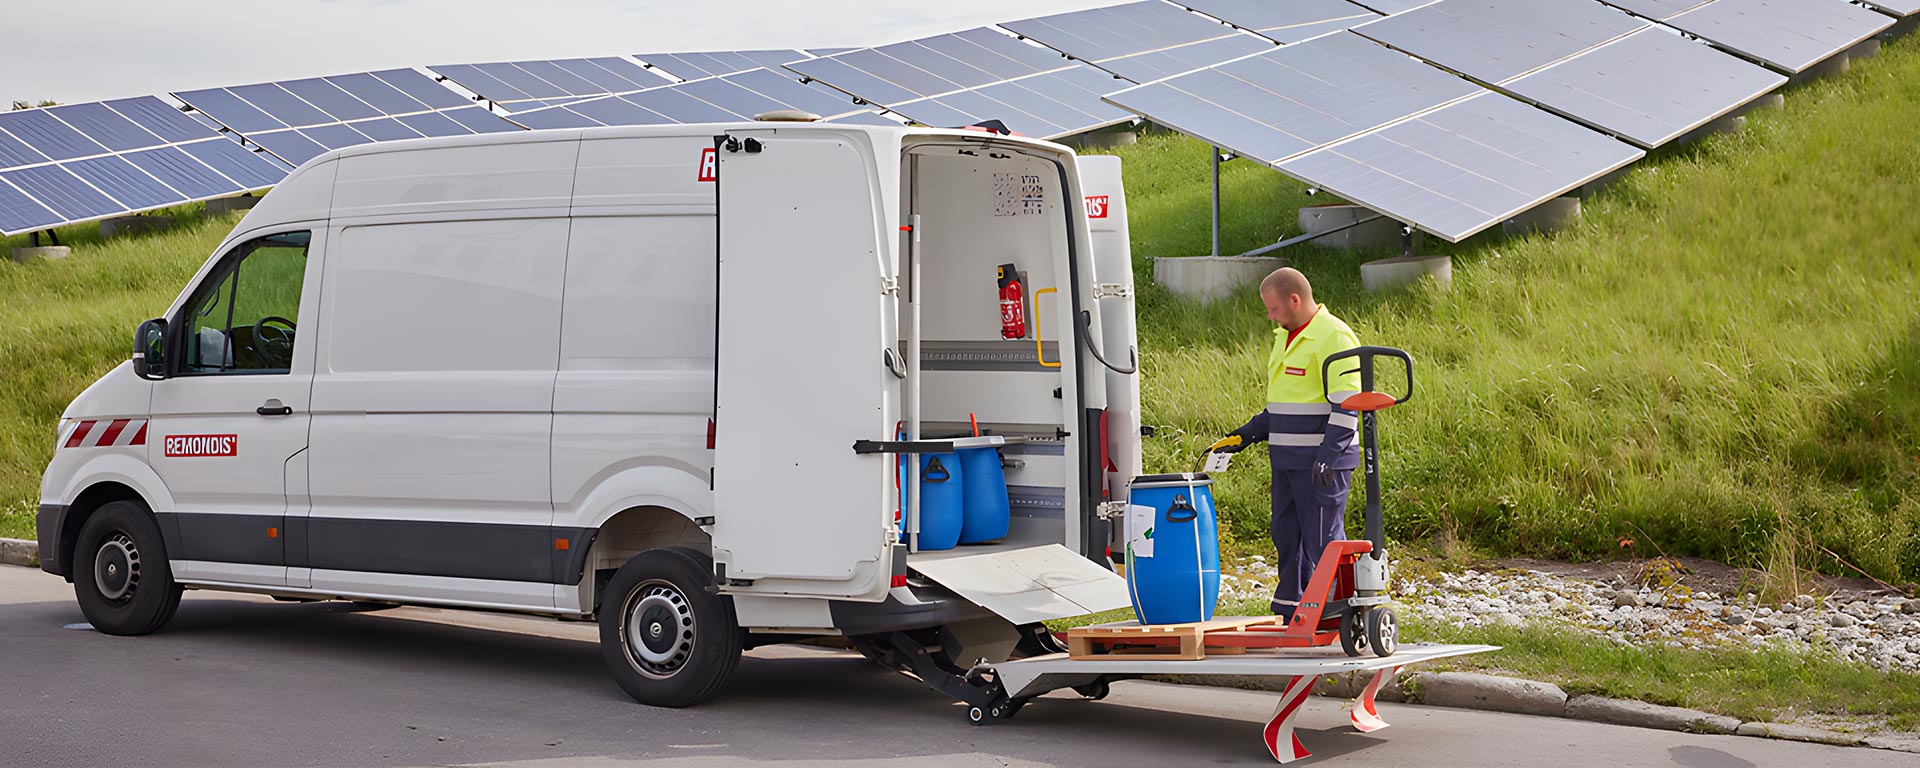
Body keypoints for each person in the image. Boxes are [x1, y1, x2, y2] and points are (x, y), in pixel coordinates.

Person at [1210, 267, 1362, 623]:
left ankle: (1335, 612)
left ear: (1295, 299)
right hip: (1286, 460)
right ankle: (1292, 609)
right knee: (1286, 533)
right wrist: (1248, 432)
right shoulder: (1285, 336)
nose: (1270, 315)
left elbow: (1348, 406)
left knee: (1322, 539)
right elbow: (1282, 404)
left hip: (1321, 463)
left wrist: (1328, 456)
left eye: (1273, 308)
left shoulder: (1335, 337)